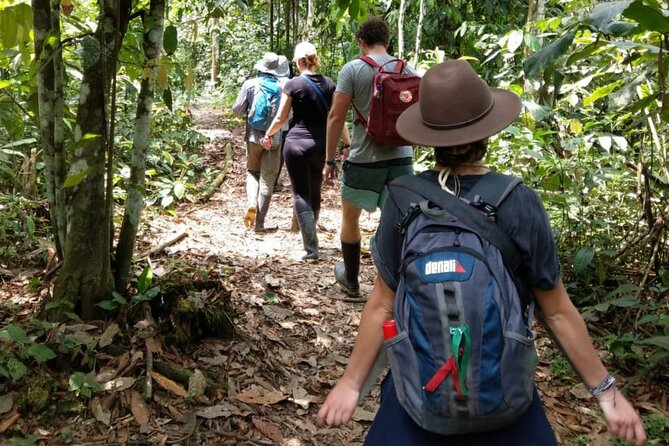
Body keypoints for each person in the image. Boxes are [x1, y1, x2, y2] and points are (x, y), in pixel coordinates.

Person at [316, 60, 647, 445]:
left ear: (428, 137)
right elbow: (555, 310)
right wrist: (607, 393)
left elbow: (382, 305)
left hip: (418, 398)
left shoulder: (403, 199)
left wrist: (351, 385)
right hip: (504, 397)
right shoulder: (518, 200)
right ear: (488, 131)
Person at [323, 16, 416, 297]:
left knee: (350, 218)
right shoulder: (408, 69)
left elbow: (336, 116)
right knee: (397, 222)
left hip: (364, 158)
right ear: (387, 41)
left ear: (361, 42)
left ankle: (351, 282)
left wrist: (329, 160)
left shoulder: (352, 70)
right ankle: (394, 287)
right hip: (402, 158)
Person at [262, 42, 350, 260]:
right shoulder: (329, 83)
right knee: (315, 190)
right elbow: (338, 119)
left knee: (300, 193)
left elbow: (282, 118)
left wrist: (269, 134)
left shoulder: (292, 84)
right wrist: (347, 144)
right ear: (313, 58)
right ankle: (312, 242)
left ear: (298, 61)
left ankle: (311, 248)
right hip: (322, 146)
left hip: (296, 145)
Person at [232, 52, 290, 233]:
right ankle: (260, 224)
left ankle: (251, 203)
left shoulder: (250, 84)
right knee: (268, 178)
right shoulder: (285, 86)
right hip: (275, 139)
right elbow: (287, 116)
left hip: (253, 138)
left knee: (252, 172)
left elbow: (237, 110)